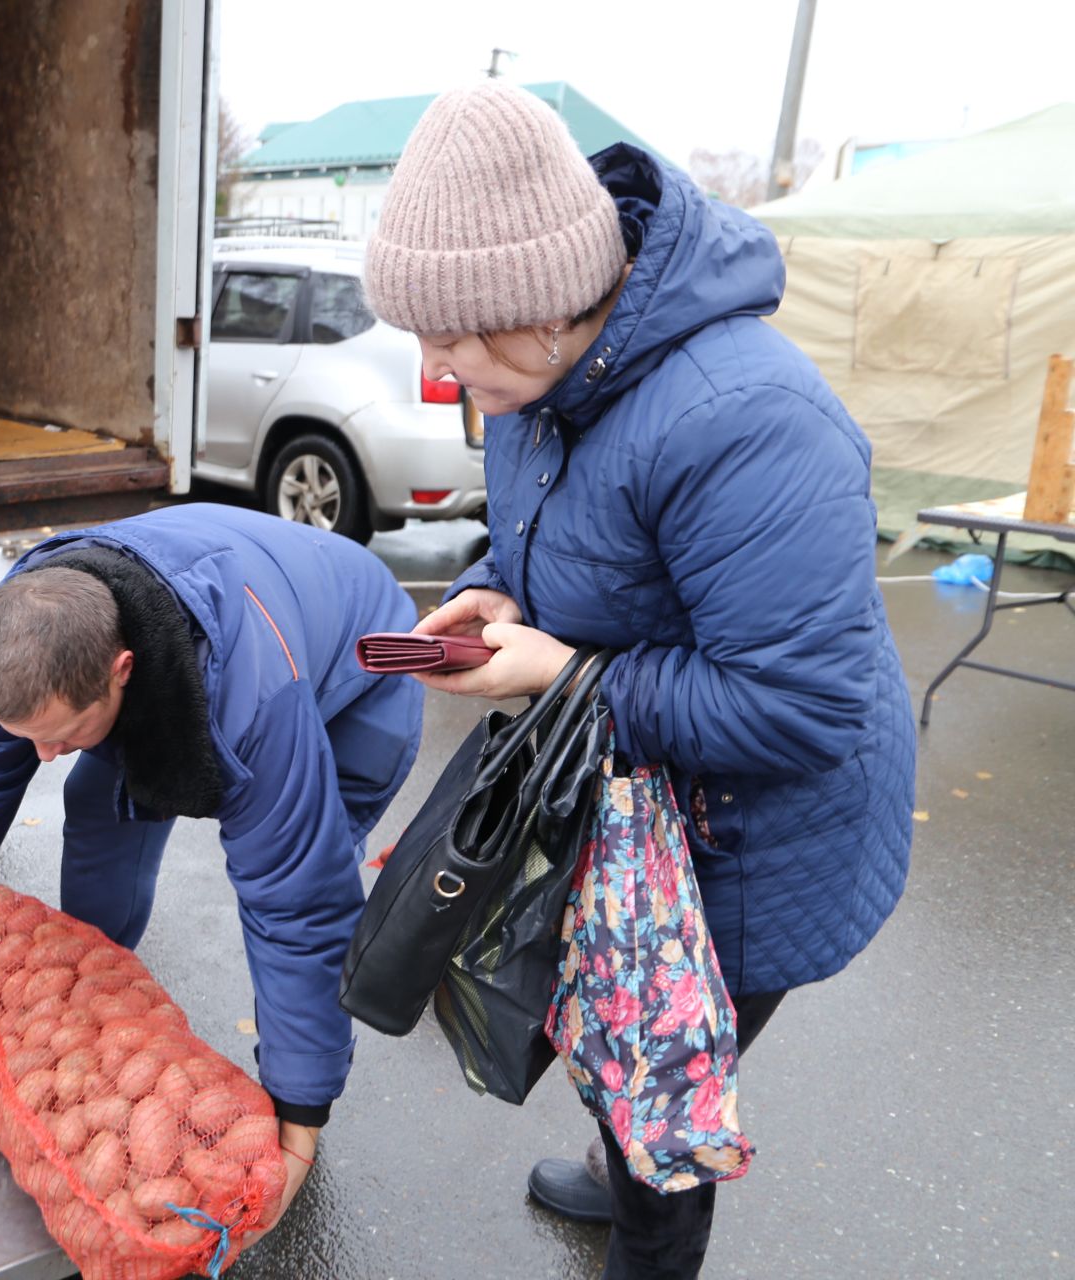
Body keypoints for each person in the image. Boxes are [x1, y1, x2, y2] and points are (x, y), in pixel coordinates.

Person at [362, 80, 917, 1277]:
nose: (437, 368)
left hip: (754, 838)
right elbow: (569, 532)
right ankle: (623, 1161)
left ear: (546, 303)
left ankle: (648, 1232)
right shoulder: (539, 378)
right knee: (619, 1028)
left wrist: (563, 670)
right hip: (636, 813)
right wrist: (499, 582)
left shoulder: (751, 417)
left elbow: (802, 706)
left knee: (664, 1077)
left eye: (451, 338)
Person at [0, 503, 425, 1234]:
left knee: (309, 862)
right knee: (98, 801)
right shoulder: (9, 640)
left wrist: (300, 1117)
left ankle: (301, 1094)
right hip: (212, 598)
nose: (43, 757)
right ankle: (92, 994)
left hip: (361, 666)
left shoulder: (257, 705)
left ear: (122, 672)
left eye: (60, 736)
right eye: (30, 739)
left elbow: (296, 907)